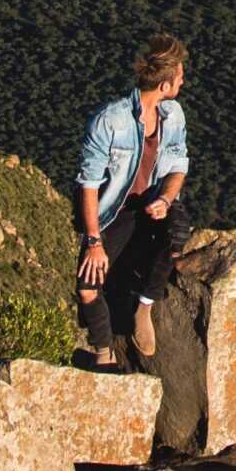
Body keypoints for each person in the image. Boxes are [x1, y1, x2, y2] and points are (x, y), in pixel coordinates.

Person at [74, 31, 190, 369]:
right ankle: (103, 350)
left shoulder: (173, 115)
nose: (183, 83)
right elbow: (88, 185)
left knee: (177, 230)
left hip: (152, 203)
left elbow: (178, 167)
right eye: (179, 78)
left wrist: (166, 199)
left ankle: (145, 307)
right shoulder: (110, 121)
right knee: (87, 287)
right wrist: (93, 241)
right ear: (164, 85)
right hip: (116, 211)